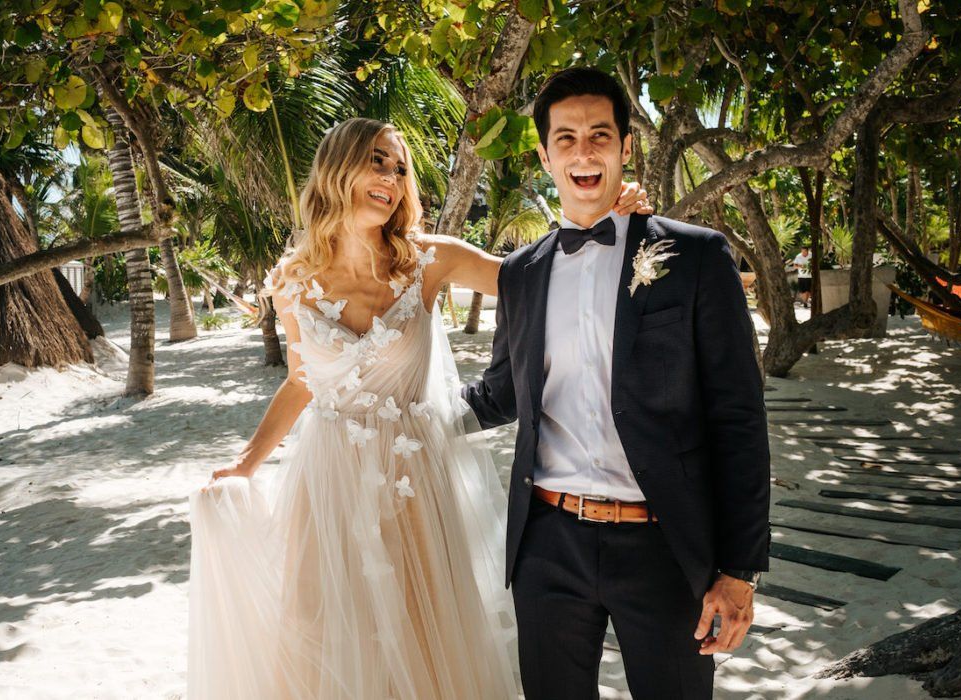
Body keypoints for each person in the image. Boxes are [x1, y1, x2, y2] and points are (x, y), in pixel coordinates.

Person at [187, 116, 653, 699]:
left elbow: (544, 275)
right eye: (377, 161)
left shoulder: (430, 260)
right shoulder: (293, 280)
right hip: (327, 482)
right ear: (338, 168)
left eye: (399, 168)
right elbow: (301, 382)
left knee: (421, 637)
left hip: (414, 486)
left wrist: (607, 214)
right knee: (327, 634)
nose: (391, 177)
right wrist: (248, 461)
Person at [462, 67, 771, 700]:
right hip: (547, 544)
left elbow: (739, 419)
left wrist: (739, 570)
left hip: (665, 545)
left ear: (626, 147)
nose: (584, 151)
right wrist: (388, 412)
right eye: (566, 138)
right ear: (545, 154)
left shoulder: (697, 258)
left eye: (600, 135)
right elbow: (499, 393)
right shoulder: (519, 275)